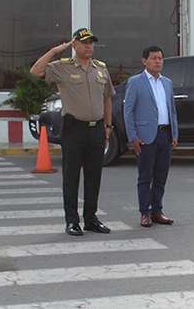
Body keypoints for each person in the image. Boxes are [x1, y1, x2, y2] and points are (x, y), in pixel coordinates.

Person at [30, 28, 115, 236]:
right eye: (84, 43)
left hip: (96, 129)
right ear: (74, 45)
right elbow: (35, 71)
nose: (89, 46)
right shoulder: (63, 67)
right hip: (74, 129)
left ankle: (91, 218)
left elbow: (107, 99)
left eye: (91, 43)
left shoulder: (101, 69)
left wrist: (108, 127)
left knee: (94, 176)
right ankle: (72, 220)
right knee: (71, 176)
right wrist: (53, 51)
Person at [123, 46, 178, 228]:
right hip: (145, 136)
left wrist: (174, 133)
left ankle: (157, 210)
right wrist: (133, 136)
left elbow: (172, 110)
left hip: (165, 134)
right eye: (153, 58)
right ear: (144, 61)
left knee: (161, 176)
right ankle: (144, 213)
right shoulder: (135, 82)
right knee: (145, 176)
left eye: (160, 58)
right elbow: (128, 111)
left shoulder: (166, 83)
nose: (157, 61)